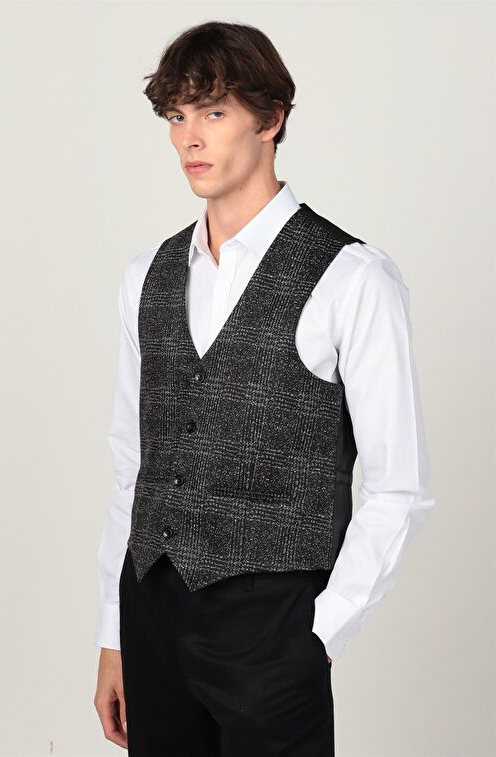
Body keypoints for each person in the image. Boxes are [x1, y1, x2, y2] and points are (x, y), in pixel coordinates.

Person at [93, 20, 436, 756]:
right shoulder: (145, 276)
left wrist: (320, 634)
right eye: (176, 115)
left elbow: (399, 485)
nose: (189, 138)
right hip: (150, 612)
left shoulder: (351, 278)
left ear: (270, 118)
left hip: (272, 627)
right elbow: (134, 464)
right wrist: (113, 635)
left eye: (213, 112)